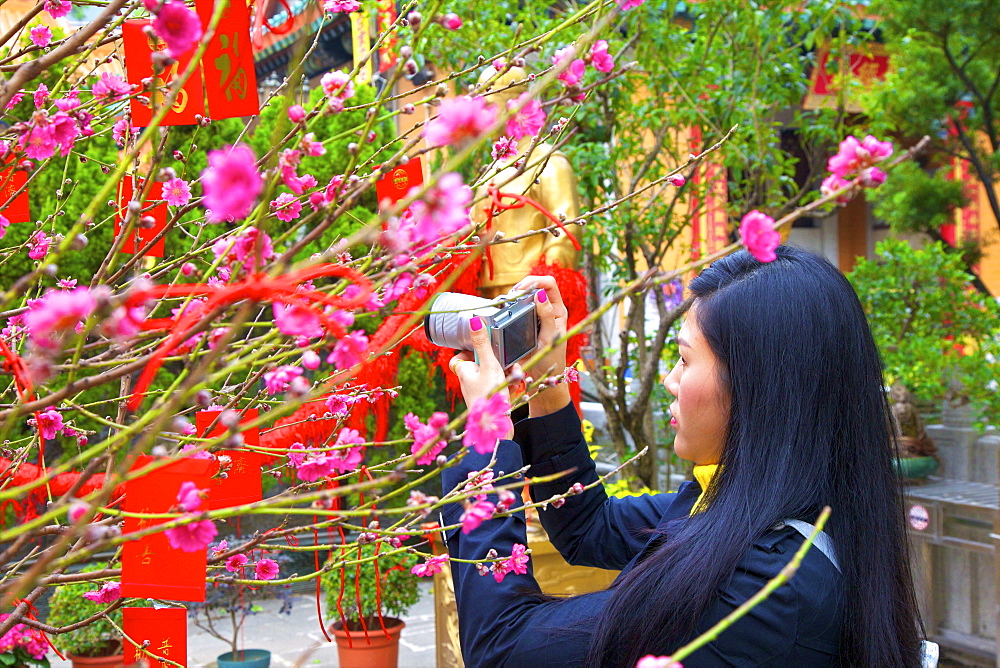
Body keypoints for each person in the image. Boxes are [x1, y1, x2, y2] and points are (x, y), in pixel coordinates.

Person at [442, 246, 925, 667]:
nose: (670, 380)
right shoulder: (754, 506)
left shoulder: (765, 590)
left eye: (685, 359)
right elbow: (590, 528)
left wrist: (487, 444)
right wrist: (549, 387)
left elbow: (504, 650)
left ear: (758, 390)